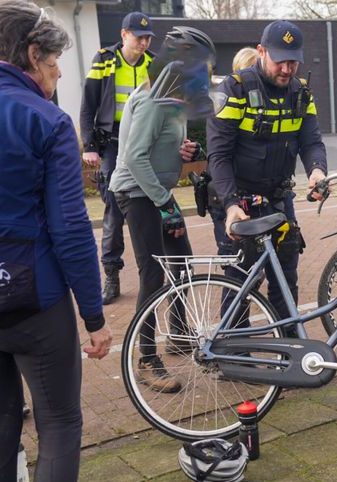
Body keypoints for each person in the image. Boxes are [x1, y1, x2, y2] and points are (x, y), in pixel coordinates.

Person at [0, 2, 112, 482]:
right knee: (60, 422)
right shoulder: (47, 120)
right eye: (55, 61)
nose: (59, 72)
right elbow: (71, 228)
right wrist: (93, 314)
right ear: (32, 55)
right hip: (30, 304)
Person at [110, 26, 215, 393]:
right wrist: (165, 202)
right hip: (137, 194)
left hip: (155, 194)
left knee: (182, 263)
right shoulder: (155, 101)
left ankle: (180, 333)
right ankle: (146, 360)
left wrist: (184, 150)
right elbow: (134, 158)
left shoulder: (171, 97)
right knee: (152, 273)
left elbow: (160, 145)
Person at [206, 20, 327, 335]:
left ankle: (290, 346)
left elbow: (311, 141)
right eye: (280, 61)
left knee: (286, 276)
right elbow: (218, 155)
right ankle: (234, 351)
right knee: (240, 279)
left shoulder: (301, 93)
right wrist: (232, 205)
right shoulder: (234, 89)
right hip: (238, 200)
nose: (287, 69)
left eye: (293, 61)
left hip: (278, 200)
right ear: (261, 52)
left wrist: (317, 171)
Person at [80, 11, 155, 305]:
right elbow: (88, 105)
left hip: (144, 143)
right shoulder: (105, 60)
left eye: (148, 37)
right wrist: (89, 146)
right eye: (139, 37)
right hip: (112, 143)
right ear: (124, 35)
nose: (145, 43)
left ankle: (154, 270)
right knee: (114, 207)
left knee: (153, 200)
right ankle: (111, 274)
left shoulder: (153, 64)